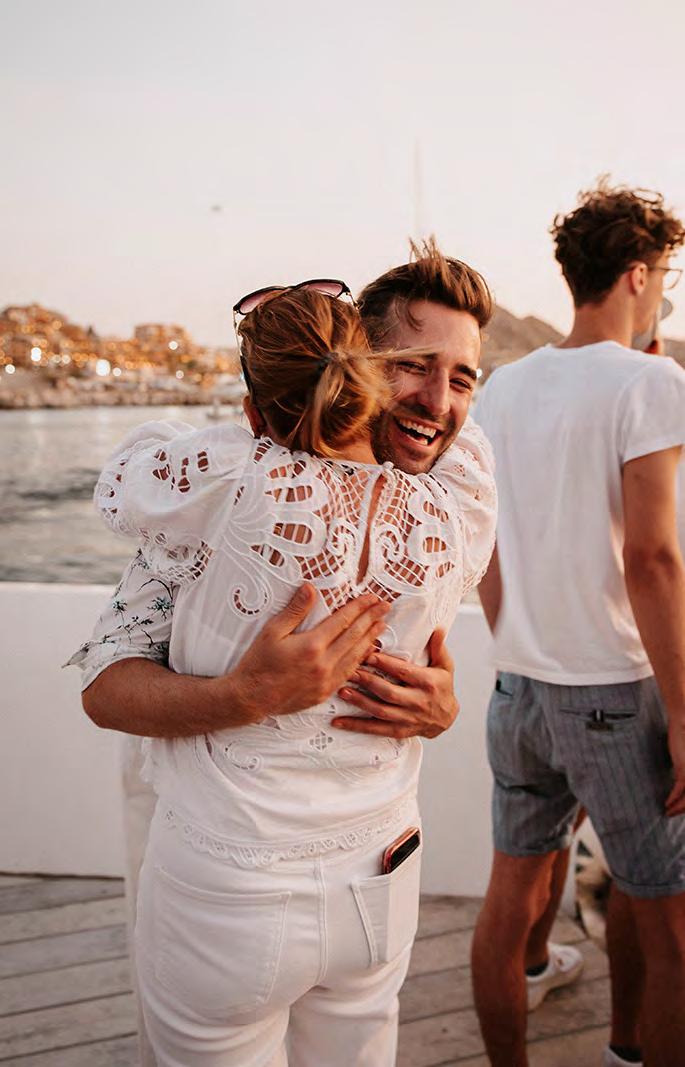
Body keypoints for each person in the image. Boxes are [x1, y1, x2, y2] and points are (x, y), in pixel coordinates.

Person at [78, 262, 497, 1065]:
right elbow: (111, 687)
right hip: (377, 883)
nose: (438, 402)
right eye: (411, 366)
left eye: (460, 378)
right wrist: (249, 694)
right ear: (360, 368)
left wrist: (440, 708)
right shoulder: (455, 509)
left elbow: (131, 480)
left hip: (234, 890)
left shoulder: (220, 491)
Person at [471, 181, 685, 1067]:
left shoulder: (500, 387)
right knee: (668, 921)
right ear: (636, 273)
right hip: (612, 693)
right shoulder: (651, 381)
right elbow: (652, 559)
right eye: (664, 276)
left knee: (509, 901)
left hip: (518, 686)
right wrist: (684, 712)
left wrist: (517, 641)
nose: (664, 293)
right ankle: (626, 1048)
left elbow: (482, 547)